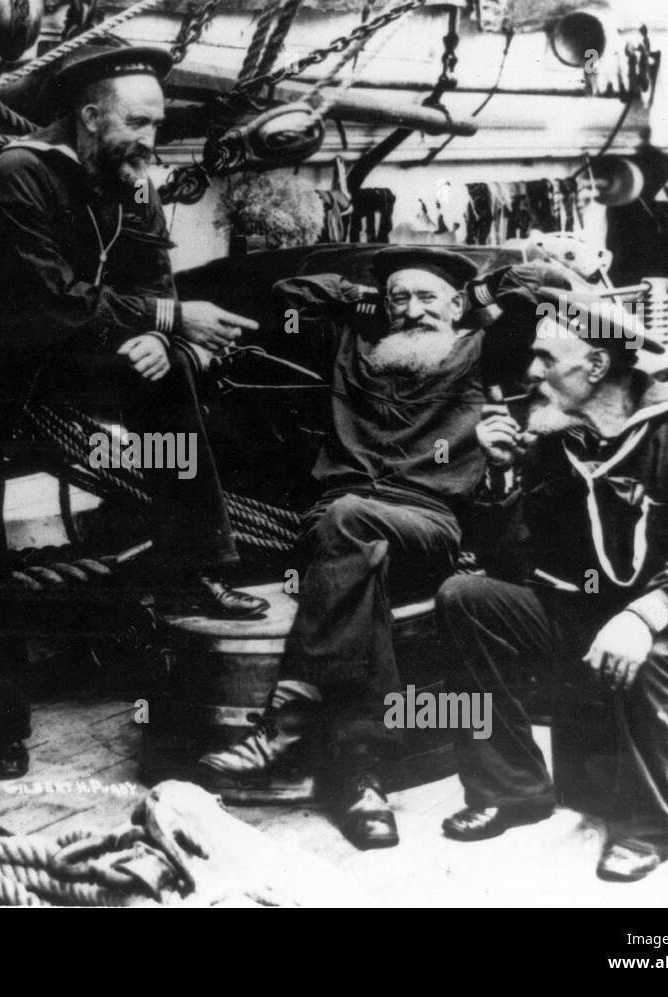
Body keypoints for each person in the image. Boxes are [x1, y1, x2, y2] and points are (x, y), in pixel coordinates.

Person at [0, 44, 269, 775]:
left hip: (56, 358)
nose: (151, 141)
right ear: (90, 116)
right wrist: (165, 317)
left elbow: (149, 275)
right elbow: (46, 306)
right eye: (138, 123)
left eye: (158, 125)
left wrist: (160, 339)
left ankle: (191, 561)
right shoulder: (21, 175)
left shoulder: (127, 174)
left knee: (164, 377)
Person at [435, 291, 668, 882]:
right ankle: (512, 790)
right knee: (467, 598)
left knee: (653, 659)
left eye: (545, 359)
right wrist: (504, 471)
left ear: (597, 366)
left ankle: (644, 830)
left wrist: (643, 616)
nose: (530, 374)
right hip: (587, 617)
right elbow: (515, 560)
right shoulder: (563, 440)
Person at [199, 247, 500, 849]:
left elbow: (536, 293)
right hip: (338, 529)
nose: (412, 312)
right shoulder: (355, 352)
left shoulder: (479, 353)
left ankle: (290, 718)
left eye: (427, 298)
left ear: (458, 304)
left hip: (428, 523)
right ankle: (361, 780)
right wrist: (354, 296)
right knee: (362, 561)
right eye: (398, 300)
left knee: (350, 523)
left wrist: (488, 299)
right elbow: (286, 294)